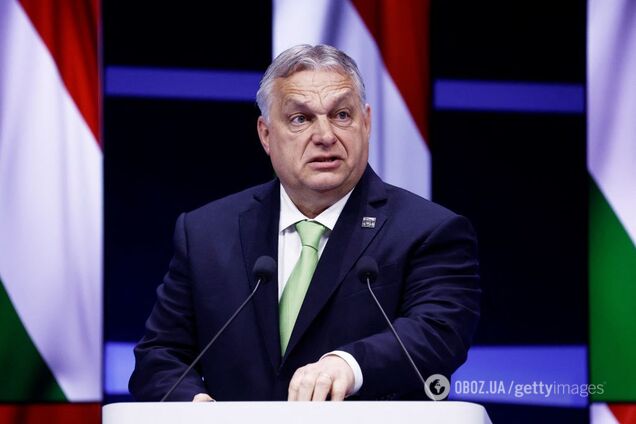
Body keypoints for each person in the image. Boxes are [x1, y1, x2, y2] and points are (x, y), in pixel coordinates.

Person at [129, 44, 480, 402]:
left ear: (366, 123)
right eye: (300, 119)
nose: (325, 136)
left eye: (341, 115)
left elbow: (439, 332)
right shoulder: (206, 232)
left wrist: (349, 365)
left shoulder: (428, 231)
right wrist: (193, 407)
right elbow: (160, 356)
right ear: (266, 135)